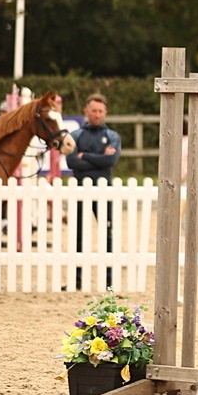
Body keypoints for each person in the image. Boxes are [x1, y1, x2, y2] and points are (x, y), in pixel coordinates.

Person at [69, 93, 121, 290]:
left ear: (105, 112)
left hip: (104, 190)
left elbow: (111, 161)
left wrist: (86, 156)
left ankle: (109, 280)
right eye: (94, 110)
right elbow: (72, 161)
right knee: (78, 234)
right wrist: (99, 156)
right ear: (86, 111)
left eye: (100, 111)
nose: (97, 114)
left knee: (108, 234)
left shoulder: (113, 136)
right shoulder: (76, 135)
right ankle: (77, 280)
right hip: (80, 190)